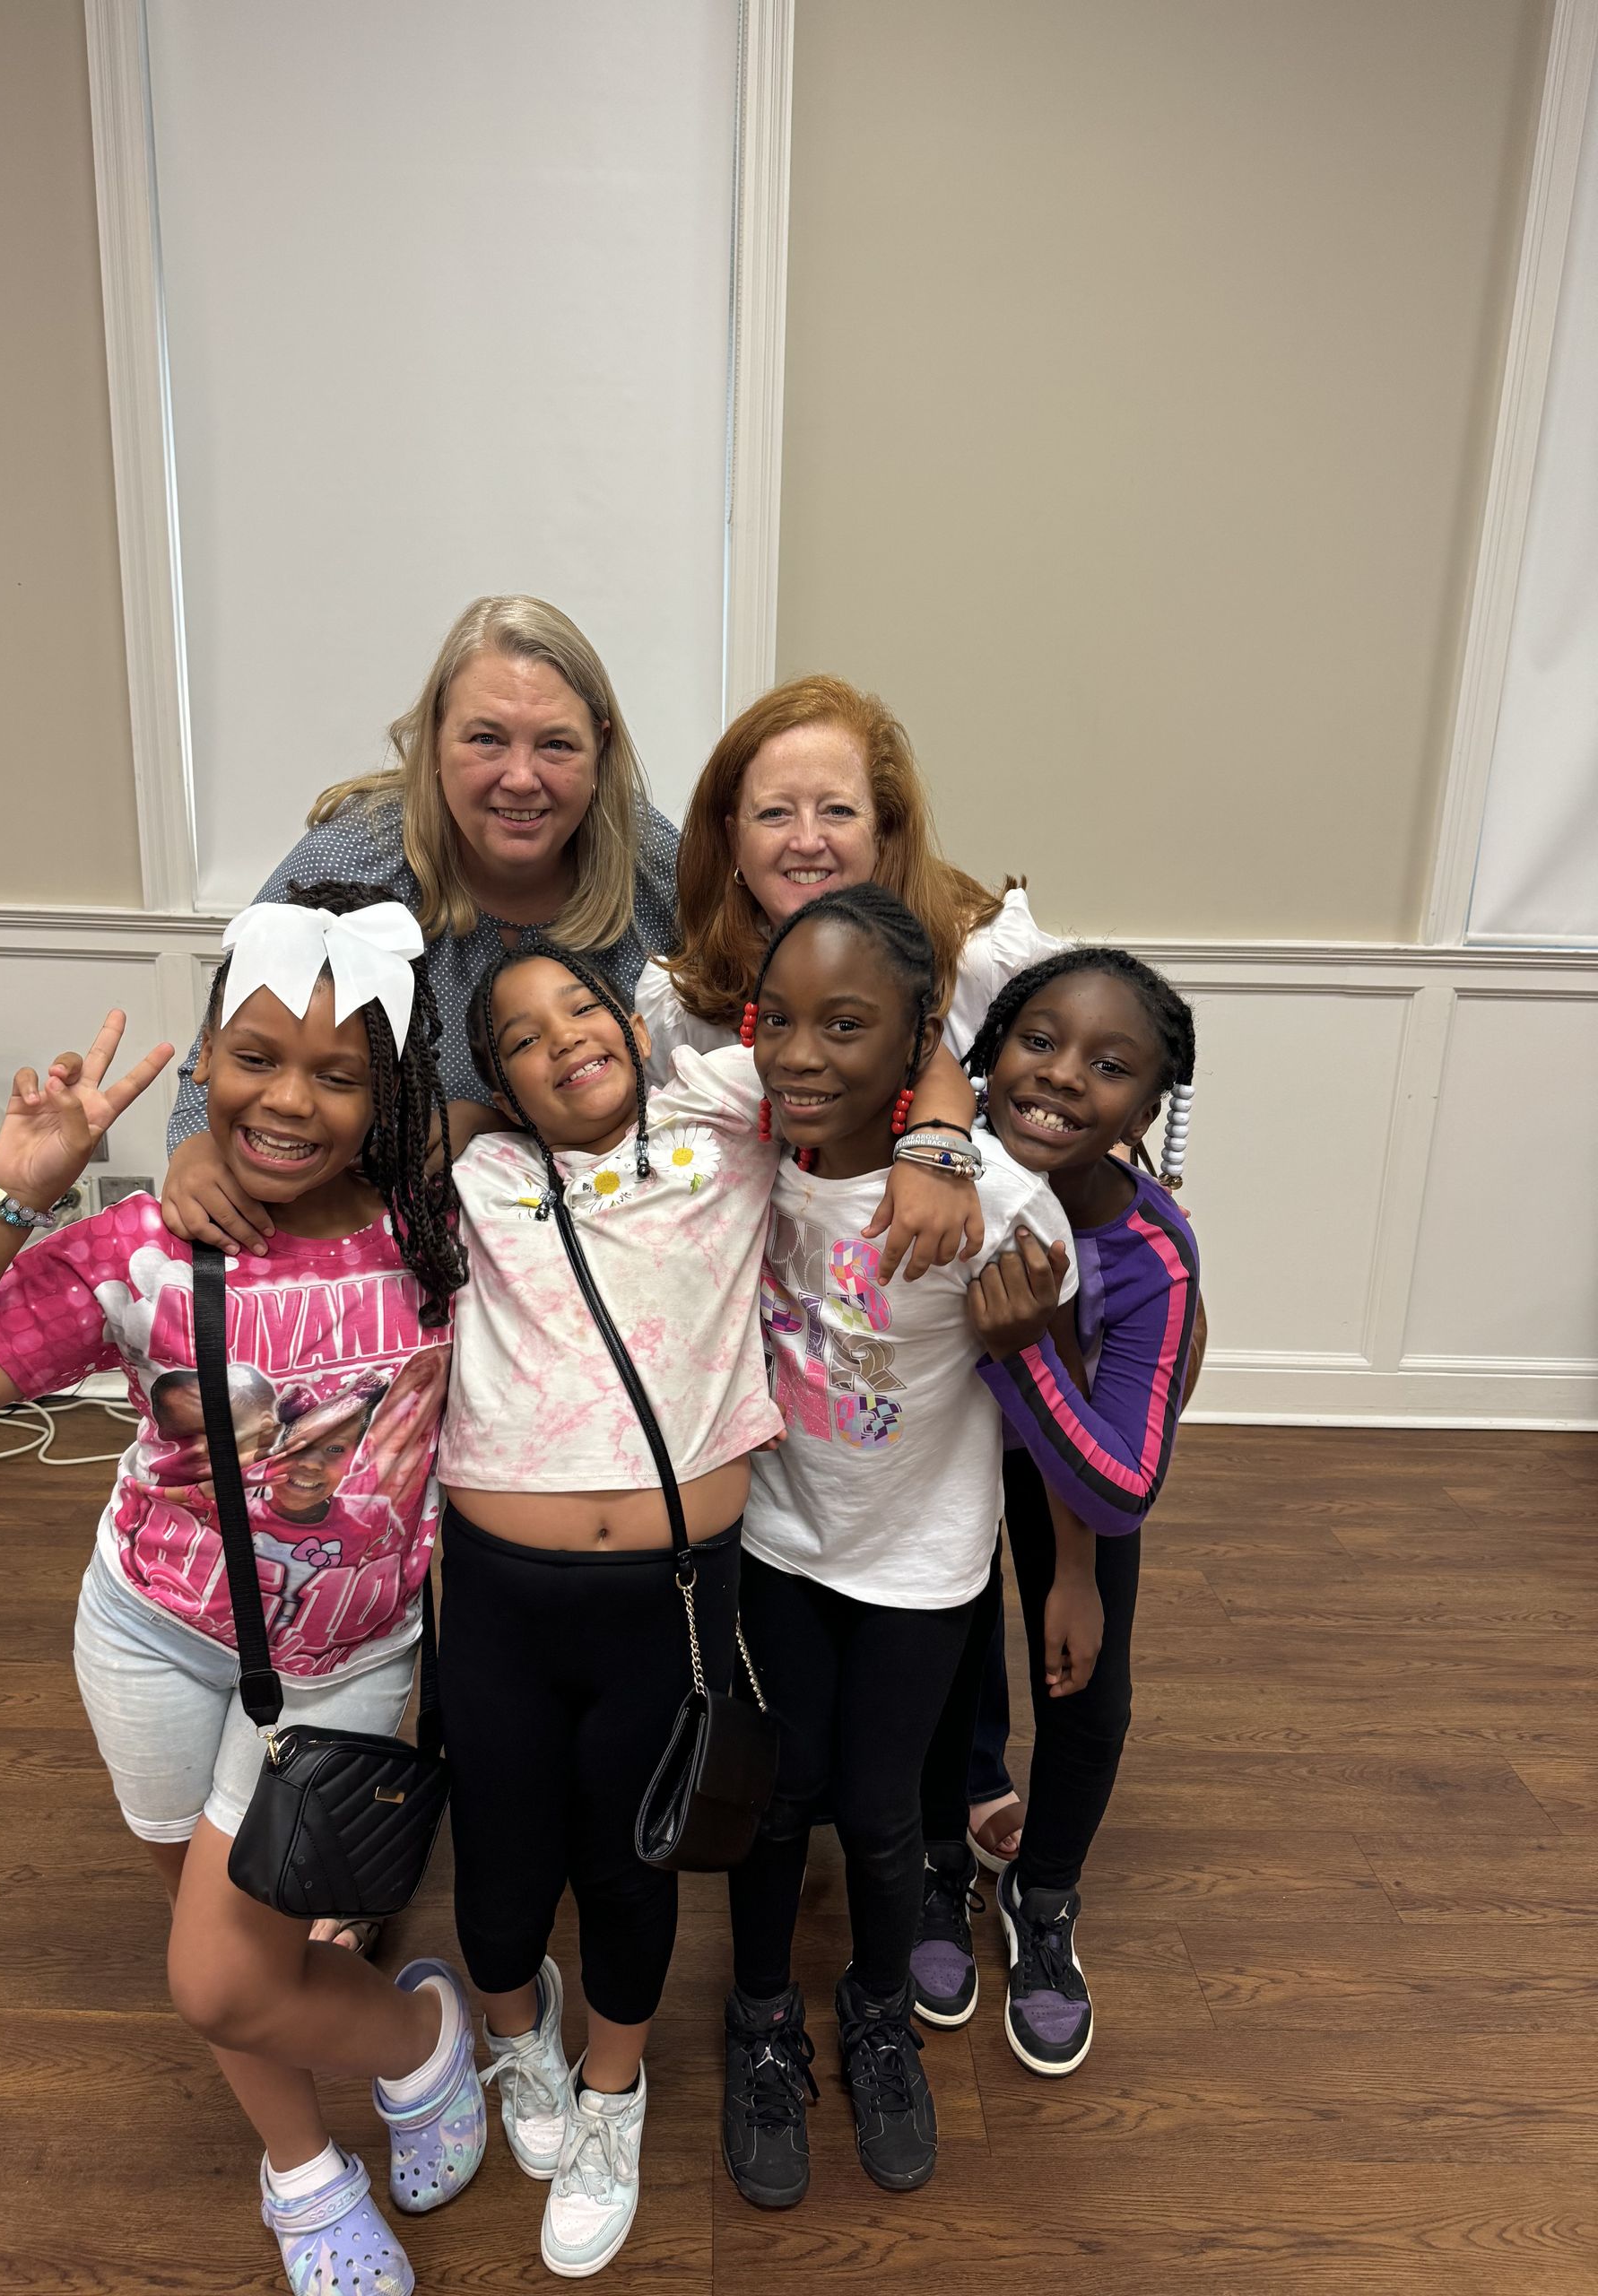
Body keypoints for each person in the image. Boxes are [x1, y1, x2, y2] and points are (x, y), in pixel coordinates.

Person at [0, 888, 482, 2296]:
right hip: (151, 1633)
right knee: (209, 1939)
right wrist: (17, 1184)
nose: (291, 1101)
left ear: (390, 1093)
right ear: (204, 1055)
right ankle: (301, 2171)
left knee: (222, 1971)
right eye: (256, 1058)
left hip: (344, 1663)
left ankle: (421, 2042)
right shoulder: (147, 1243)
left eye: (341, 1074)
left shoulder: (438, 1237)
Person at [438, 937, 979, 2277]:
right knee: (500, 1878)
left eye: (581, 1006)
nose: (562, 1037)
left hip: (673, 1598)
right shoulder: (476, 1174)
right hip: (501, 1599)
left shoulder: (723, 1115)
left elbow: (898, 1037)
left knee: (634, 1861)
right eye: (520, 1037)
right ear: (497, 1086)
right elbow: (316, 1140)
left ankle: (614, 2097)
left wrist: (944, 1144)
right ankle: (520, 2043)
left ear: (632, 1021)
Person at [717, 885, 1077, 2212]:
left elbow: (1065, 1330)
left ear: (921, 1035)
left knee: (879, 1815)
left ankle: (874, 2016)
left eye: (847, 1026)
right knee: (771, 1803)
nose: (802, 1055)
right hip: (775, 1541)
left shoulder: (992, 1198)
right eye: (783, 1021)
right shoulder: (745, 1131)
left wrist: (1019, 1322)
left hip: (921, 1563)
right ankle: (760, 2019)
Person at [162, 594, 679, 1259]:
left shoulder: (654, 862)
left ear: (600, 748)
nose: (521, 778)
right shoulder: (353, 860)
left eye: (556, 745)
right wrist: (194, 1147)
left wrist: (491, 1127)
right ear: (435, 739)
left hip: (618, 1236)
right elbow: (237, 1036)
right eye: (485, 739)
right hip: (393, 1255)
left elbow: (748, 1025)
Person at [911, 947, 1201, 2082]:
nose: (1067, 1075)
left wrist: (1072, 1564)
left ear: (1148, 1103)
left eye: (1111, 1063)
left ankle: (1046, 1895)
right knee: (942, 1650)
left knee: (1091, 1690)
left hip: (1062, 1465)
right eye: (1040, 1041)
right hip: (932, 1457)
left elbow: (1122, 1483)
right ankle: (943, 1861)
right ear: (987, 1056)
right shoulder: (933, 1176)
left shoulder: (1150, 1254)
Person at [636, 674, 1063, 1078]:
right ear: (734, 840)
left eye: (837, 811)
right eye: (774, 813)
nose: (805, 841)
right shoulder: (680, 1005)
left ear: (882, 829)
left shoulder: (986, 963)